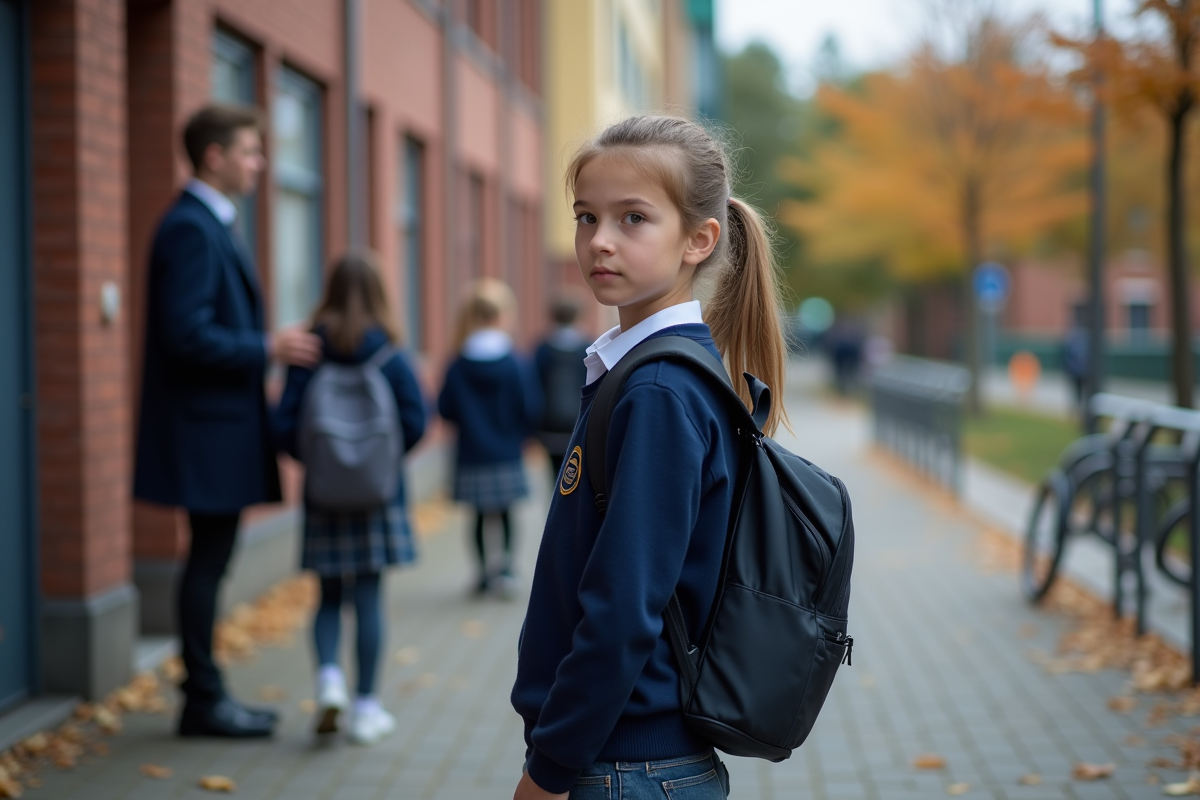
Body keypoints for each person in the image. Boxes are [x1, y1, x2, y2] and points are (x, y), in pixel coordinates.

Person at [509, 115, 790, 799]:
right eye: (585, 216)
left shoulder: (658, 389)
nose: (598, 241)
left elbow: (622, 608)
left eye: (633, 218)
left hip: (624, 768)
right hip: (628, 762)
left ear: (699, 239)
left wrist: (547, 773)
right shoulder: (640, 372)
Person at [134, 104, 322, 738]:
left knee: (211, 560)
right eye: (249, 151)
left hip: (214, 428)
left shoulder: (208, 222)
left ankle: (205, 694)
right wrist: (267, 346)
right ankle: (202, 700)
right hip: (205, 431)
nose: (260, 163)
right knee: (207, 561)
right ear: (214, 156)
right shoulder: (191, 227)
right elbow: (185, 334)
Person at [271, 252, 427, 745]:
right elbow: (417, 421)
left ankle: (328, 683)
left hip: (323, 496)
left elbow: (284, 427)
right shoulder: (391, 353)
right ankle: (365, 708)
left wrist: (323, 464)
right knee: (368, 598)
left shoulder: (308, 350)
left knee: (327, 595)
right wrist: (379, 462)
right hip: (378, 498)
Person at [437, 279, 542, 600]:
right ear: (504, 315)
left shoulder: (457, 364)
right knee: (508, 512)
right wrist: (521, 435)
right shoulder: (516, 362)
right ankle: (507, 570)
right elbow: (531, 406)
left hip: (471, 452)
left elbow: (445, 408)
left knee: (479, 515)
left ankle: (483, 574)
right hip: (508, 451)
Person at [533, 297, 591, 481]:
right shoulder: (588, 348)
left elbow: (534, 383)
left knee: (553, 474)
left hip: (548, 421)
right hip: (579, 418)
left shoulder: (543, 348)